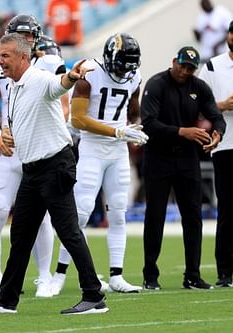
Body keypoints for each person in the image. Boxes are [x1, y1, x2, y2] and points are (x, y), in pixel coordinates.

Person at [0, 33, 106, 315]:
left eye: (5, 56)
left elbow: (59, 86)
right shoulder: (15, 86)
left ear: (23, 57)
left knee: (68, 231)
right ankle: (7, 298)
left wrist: (72, 75)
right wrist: (8, 136)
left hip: (55, 165)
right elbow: (25, 122)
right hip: (32, 169)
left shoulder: (38, 78)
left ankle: (94, 296)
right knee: (20, 235)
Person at [0, 14, 57, 301]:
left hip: (37, 150)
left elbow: (62, 107)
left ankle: (44, 277)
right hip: (10, 150)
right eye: (20, 36)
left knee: (40, 219)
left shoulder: (49, 64)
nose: (25, 41)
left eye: (29, 37)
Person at [50, 33, 147, 296]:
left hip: (117, 153)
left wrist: (134, 127)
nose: (125, 71)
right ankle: (58, 274)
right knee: (79, 214)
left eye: (130, 65)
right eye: (121, 64)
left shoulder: (134, 77)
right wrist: (117, 132)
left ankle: (117, 275)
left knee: (118, 212)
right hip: (92, 149)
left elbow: (134, 109)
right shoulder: (90, 72)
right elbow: (79, 120)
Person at [141, 46, 226, 290]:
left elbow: (215, 115)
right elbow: (148, 123)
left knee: (193, 217)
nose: (185, 71)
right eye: (182, 65)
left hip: (188, 158)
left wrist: (218, 133)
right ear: (174, 61)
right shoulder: (157, 84)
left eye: (190, 68)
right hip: (159, 156)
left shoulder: (199, 88)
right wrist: (182, 132)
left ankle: (192, 275)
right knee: (155, 216)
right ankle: (150, 275)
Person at [198, 20, 233, 288]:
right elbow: (194, 106)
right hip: (226, 145)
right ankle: (225, 272)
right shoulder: (211, 66)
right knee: (228, 210)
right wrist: (221, 105)